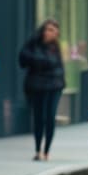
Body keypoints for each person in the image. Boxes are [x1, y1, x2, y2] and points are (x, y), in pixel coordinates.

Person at [19, 19, 65, 161]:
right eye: (47, 29)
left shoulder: (56, 48)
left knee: (50, 117)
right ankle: (38, 149)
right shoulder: (34, 44)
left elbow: (58, 67)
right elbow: (22, 59)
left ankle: (46, 151)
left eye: (52, 30)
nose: (49, 32)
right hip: (37, 86)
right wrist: (42, 62)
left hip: (54, 86)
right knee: (39, 117)